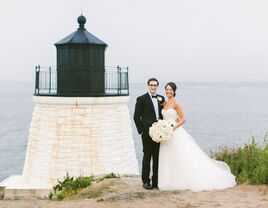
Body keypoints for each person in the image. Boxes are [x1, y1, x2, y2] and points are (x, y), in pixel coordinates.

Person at [158, 82, 236, 191]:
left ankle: (183, 180)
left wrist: (172, 129)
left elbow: (183, 119)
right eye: (167, 89)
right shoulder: (164, 103)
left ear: (174, 91)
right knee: (168, 155)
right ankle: (168, 180)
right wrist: (162, 128)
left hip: (174, 132)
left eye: (170, 89)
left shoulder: (176, 104)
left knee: (181, 156)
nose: (168, 91)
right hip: (165, 132)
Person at [133, 78, 165, 189]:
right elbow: (136, 117)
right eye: (151, 85)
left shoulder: (161, 98)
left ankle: (156, 181)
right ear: (148, 86)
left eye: (155, 85)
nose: (153, 87)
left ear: (157, 86)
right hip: (147, 133)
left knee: (157, 157)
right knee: (147, 156)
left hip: (160, 133)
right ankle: (146, 181)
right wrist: (141, 131)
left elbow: (163, 116)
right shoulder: (141, 99)